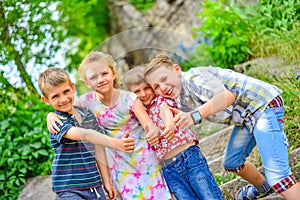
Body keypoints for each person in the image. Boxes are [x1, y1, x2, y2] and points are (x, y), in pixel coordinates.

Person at [144, 54, 300, 200]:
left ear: (177, 70)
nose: (162, 88)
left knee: (278, 176)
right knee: (232, 162)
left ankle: (277, 183)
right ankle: (263, 187)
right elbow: (173, 109)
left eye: (164, 79)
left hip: (263, 106)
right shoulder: (179, 97)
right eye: (156, 87)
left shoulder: (193, 78)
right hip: (246, 119)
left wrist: (194, 115)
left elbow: (226, 97)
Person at [47, 52, 171, 199]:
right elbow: (66, 107)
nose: (100, 80)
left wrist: (152, 132)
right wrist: (50, 115)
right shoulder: (86, 101)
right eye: (93, 77)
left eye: (104, 73)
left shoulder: (129, 98)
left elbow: (148, 125)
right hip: (117, 162)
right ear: (87, 82)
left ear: (113, 73)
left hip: (142, 156)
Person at [122, 66, 223, 199]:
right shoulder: (139, 116)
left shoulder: (160, 100)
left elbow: (165, 110)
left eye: (146, 88)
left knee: (209, 195)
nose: (143, 94)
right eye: (137, 91)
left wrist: (169, 124)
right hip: (168, 168)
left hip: (189, 157)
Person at [38, 67, 135, 200]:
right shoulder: (57, 122)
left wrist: (106, 182)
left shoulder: (87, 115)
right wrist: (116, 143)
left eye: (66, 91)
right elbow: (85, 135)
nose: (63, 99)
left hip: (94, 185)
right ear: (46, 100)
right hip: (69, 188)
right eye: (55, 96)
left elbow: (98, 147)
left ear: (72, 87)